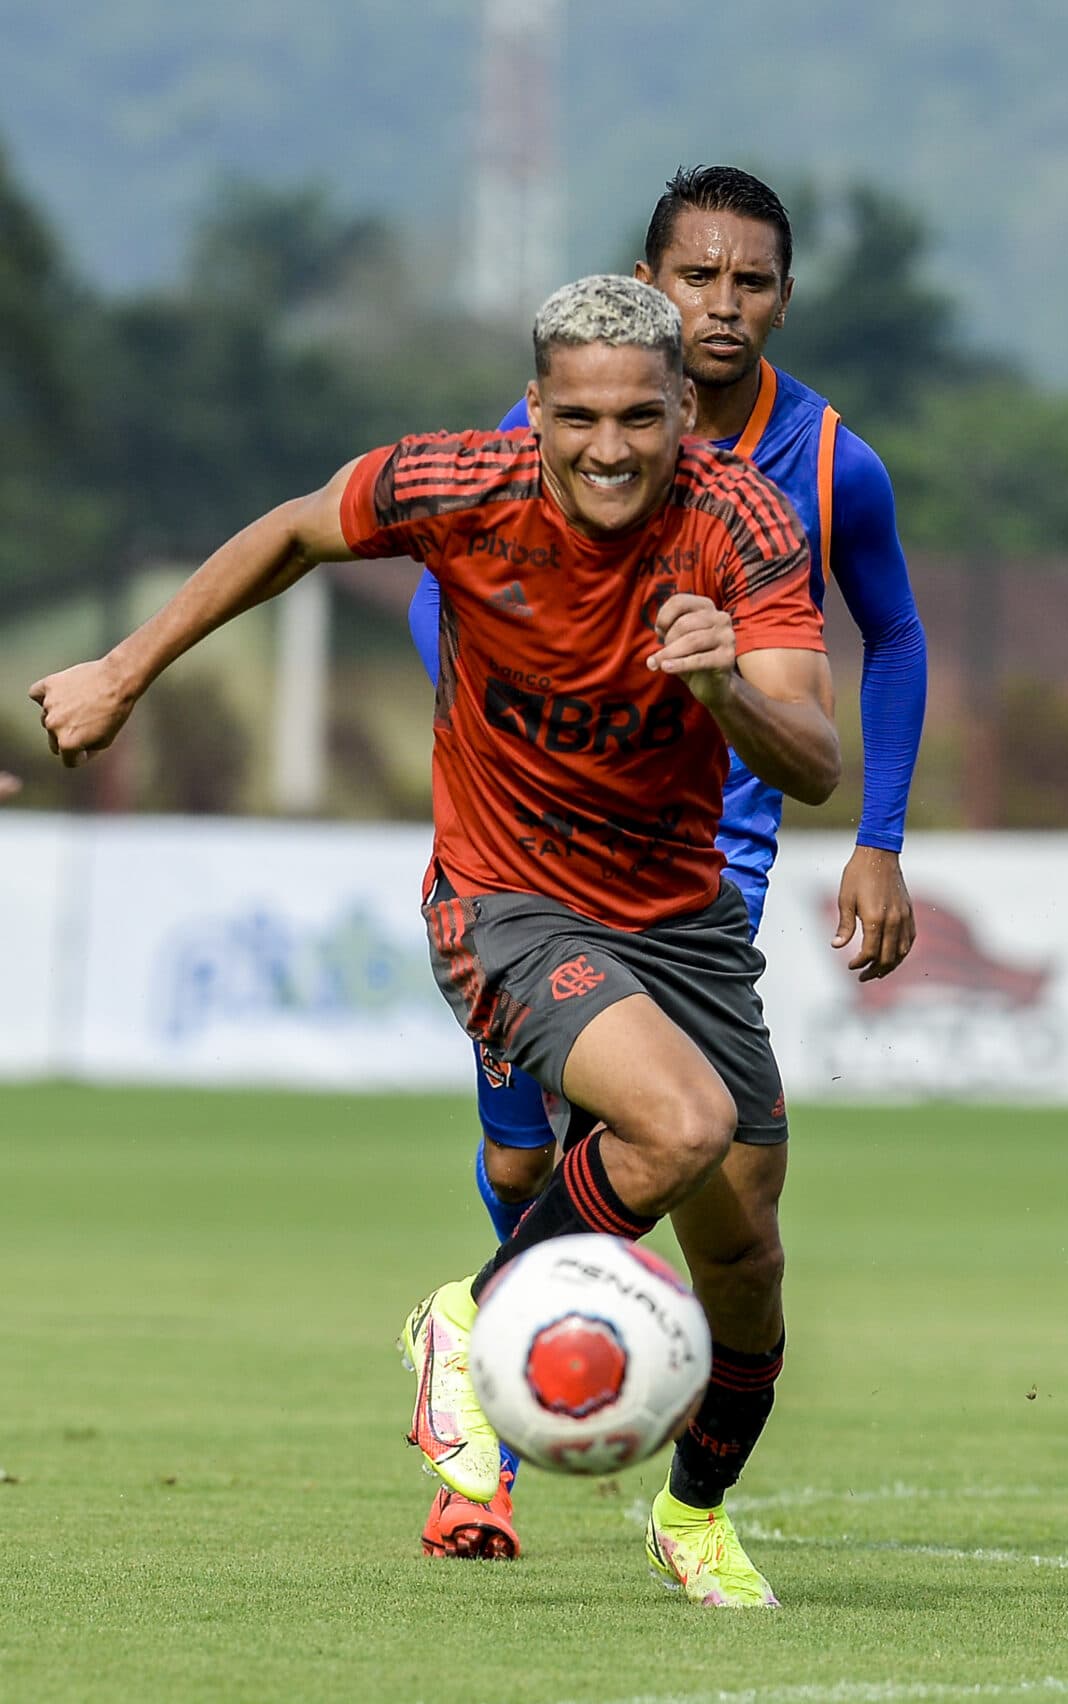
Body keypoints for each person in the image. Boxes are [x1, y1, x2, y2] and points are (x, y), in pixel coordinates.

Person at [32, 274, 843, 1609]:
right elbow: (295, 534)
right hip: (506, 900)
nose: (609, 448)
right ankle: (472, 1319)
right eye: (577, 417)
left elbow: (809, 758)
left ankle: (694, 1518)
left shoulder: (742, 523)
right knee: (679, 1124)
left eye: (641, 418)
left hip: (680, 916)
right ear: (534, 410)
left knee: (746, 1265)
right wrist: (126, 668)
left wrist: (720, 688)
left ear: (685, 413)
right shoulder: (457, 484)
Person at [403, 165, 928, 1561]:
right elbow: (434, 596)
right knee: (532, 1163)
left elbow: (897, 635)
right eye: (696, 277)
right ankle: (484, 1438)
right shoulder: (569, 424)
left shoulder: (828, 464)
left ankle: (673, 1505)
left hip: (714, 870)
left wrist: (878, 837)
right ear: (650, 279)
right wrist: (502, 740)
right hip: (531, 856)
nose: (722, 303)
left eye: (750, 281)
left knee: (716, 1203)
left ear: (784, 297)